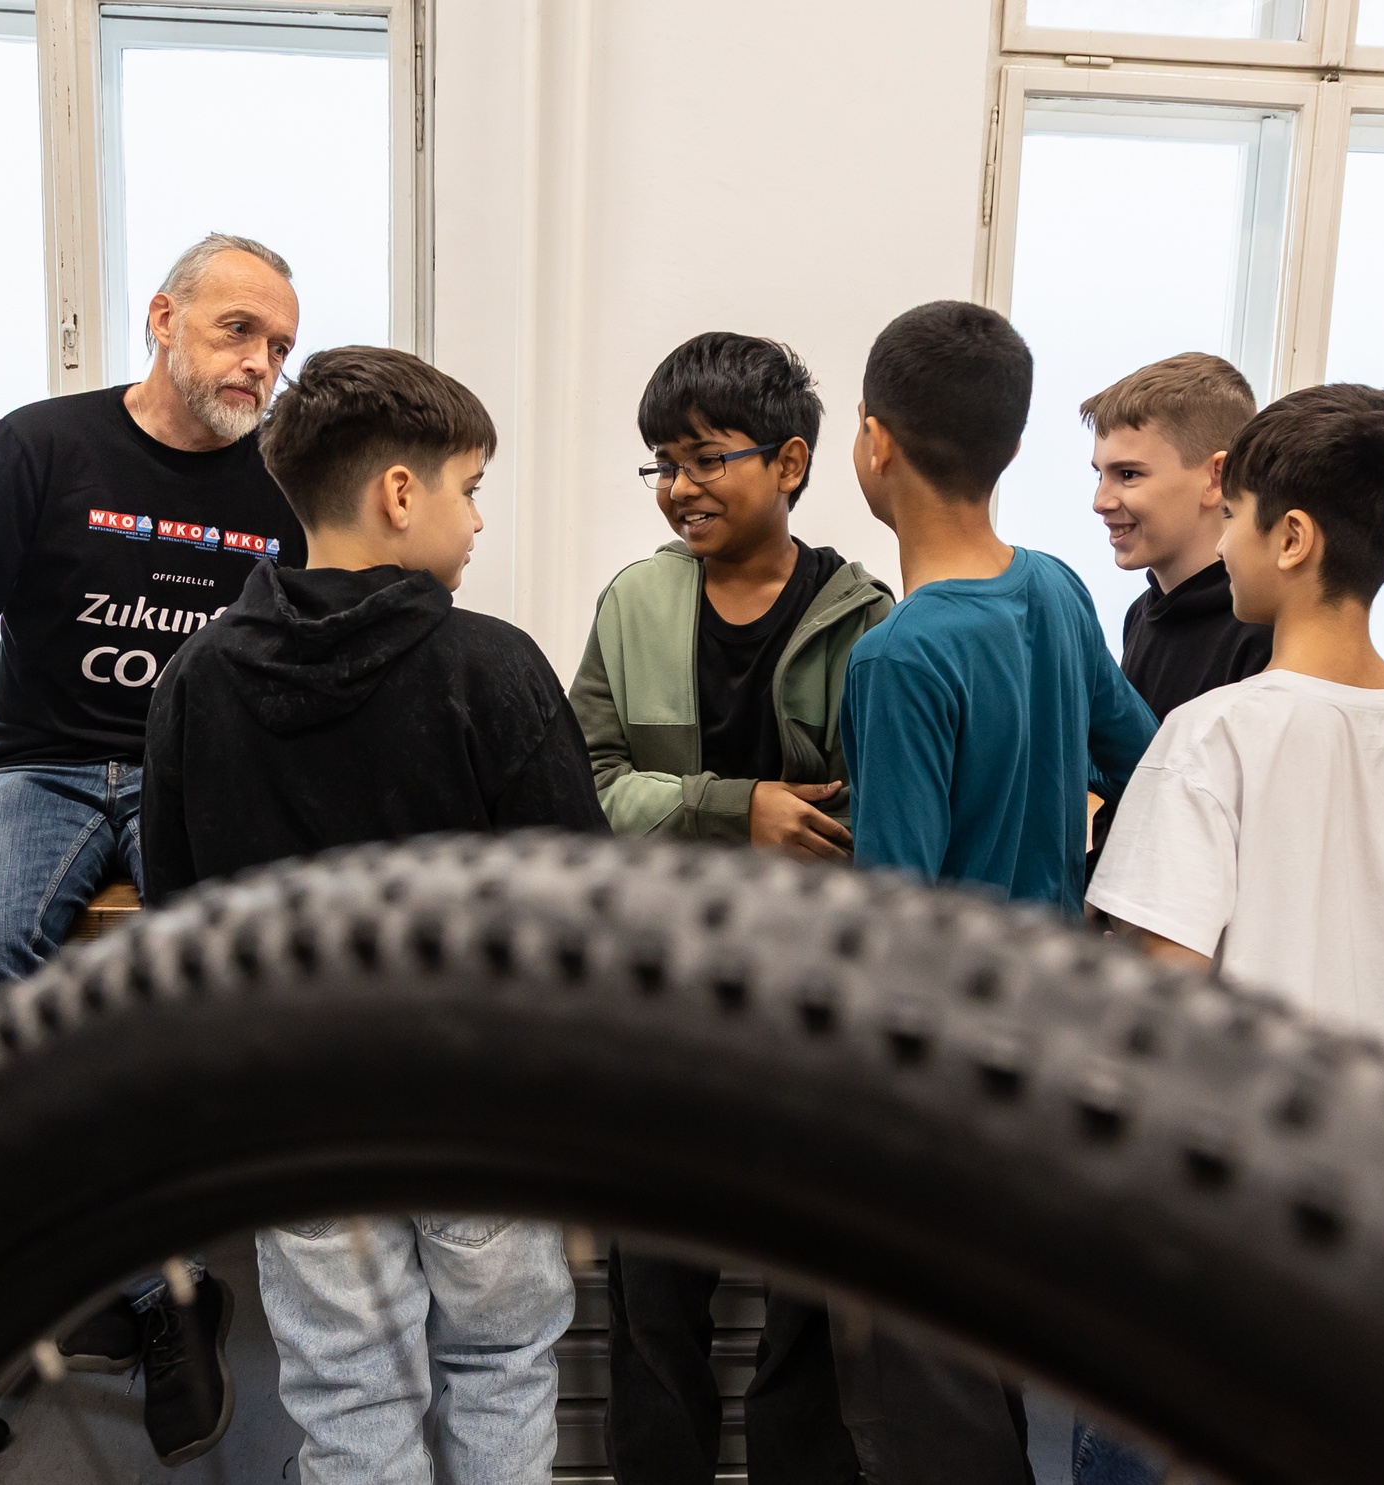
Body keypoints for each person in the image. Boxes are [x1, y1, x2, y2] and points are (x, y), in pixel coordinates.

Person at [0, 230, 306, 1464]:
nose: (260, 366)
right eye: (239, 330)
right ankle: (159, 1287)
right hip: (40, 770)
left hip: (201, 774)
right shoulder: (42, 447)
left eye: (282, 346)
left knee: (216, 990)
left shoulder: (286, 483)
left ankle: (42, 1281)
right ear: (161, 318)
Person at [141, 345, 601, 1484]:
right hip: (475, 1111)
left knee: (351, 1400)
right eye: (471, 487)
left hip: (298, 1122)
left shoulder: (198, 679)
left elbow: (178, 920)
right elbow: (584, 910)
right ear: (402, 493)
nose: (479, 522)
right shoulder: (489, 668)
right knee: (501, 1366)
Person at [838, 300, 1157, 1483]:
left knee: (927, 1413)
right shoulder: (1058, 590)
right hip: (1056, 1044)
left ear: (875, 442)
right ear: (1012, 447)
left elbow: (897, 924)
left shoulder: (900, 653)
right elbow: (1150, 763)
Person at [568, 331, 889, 1483]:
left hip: (813, 999)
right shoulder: (632, 603)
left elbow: (874, 818)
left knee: (809, 1295)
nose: (679, 488)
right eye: (661, 463)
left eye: (707, 459)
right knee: (656, 1291)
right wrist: (728, 805)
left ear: (791, 462)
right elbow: (586, 787)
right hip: (662, 993)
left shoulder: (868, 620)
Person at [1087, 383, 1384, 1052]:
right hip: (1360, 1118)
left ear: (1292, 538)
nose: (1227, 542)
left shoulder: (1210, 732)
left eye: (1233, 515)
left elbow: (1166, 974)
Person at [1082, 352, 1272, 875]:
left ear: (1217, 477)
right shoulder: (1141, 616)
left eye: (1128, 475)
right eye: (1099, 475)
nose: (1101, 500)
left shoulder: (1261, 637)